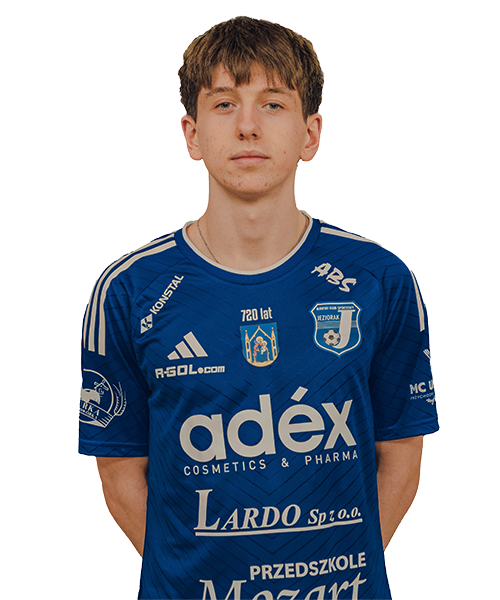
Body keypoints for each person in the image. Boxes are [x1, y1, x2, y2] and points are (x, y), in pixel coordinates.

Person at [79, 15, 439, 600]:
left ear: (310, 134)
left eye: (273, 104)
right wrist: (196, 579)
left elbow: (400, 457)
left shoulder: (378, 279)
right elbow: (120, 473)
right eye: (224, 104)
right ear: (192, 135)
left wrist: (332, 573)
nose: (247, 126)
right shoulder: (129, 290)